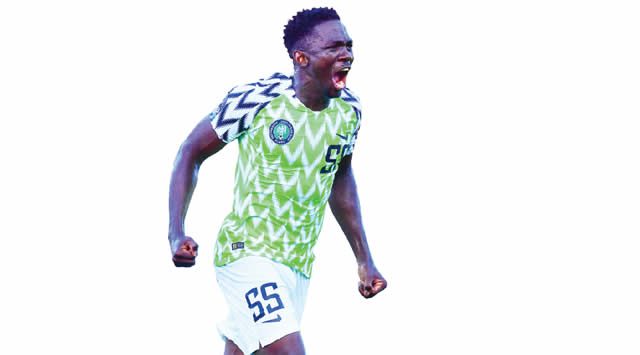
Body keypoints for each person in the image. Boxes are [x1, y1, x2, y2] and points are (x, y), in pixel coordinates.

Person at [168, 7, 387, 355]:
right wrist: (176, 230)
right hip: (247, 253)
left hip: (298, 264)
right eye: (333, 47)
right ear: (301, 57)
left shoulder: (349, 111)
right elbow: (190, 153)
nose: (346, 55)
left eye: (348, 45)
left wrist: (364, 259)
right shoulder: (257, 99)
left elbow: (339, 176)